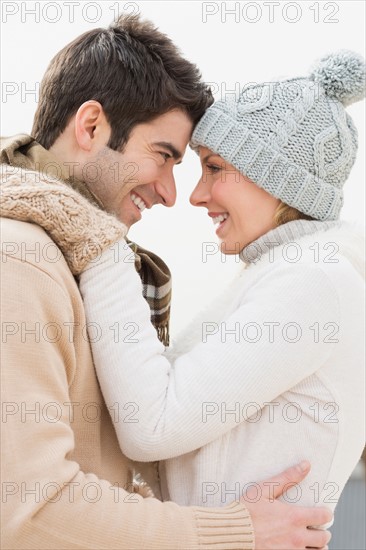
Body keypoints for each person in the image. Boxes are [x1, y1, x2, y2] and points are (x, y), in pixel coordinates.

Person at [0, 13, 332, 550]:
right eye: (164, 157)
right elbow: (29, 512)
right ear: (91, 127)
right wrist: (233, 532)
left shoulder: (76, 263)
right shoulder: (18, 262)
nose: (173, 194)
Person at [77, 50, 365, 515]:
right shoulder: (289, 277)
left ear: (277, 179)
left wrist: (97, 239)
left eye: (213, 168)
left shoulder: (314, 284)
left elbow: (151, 425)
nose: (196, 195)